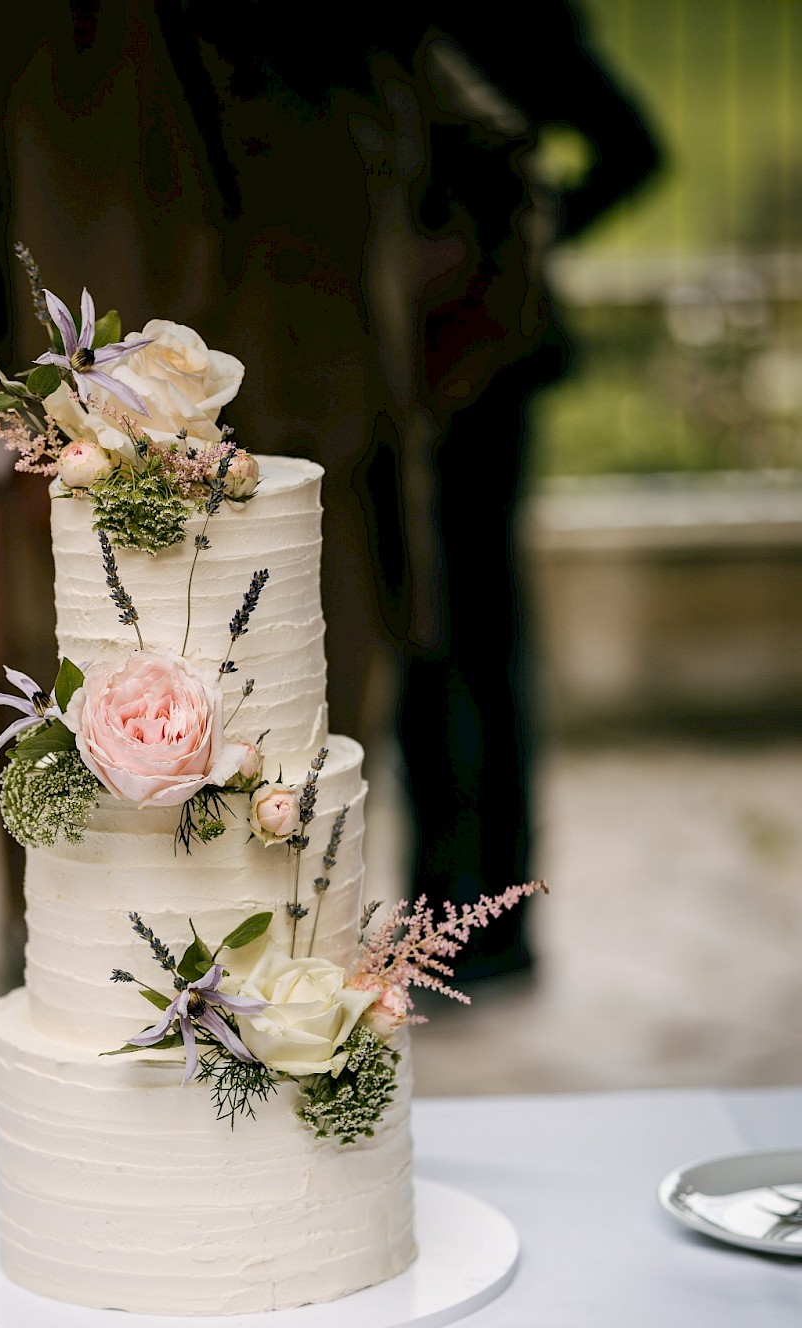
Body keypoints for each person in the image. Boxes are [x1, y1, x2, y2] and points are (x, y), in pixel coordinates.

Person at [157, 2, 665, 983]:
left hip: (474, 371)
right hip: (385, 372)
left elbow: (627, 151)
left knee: (471, 634)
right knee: (415, 639)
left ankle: (484, 922)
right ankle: (438, 909)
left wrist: (478, 264)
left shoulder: (494, 26)